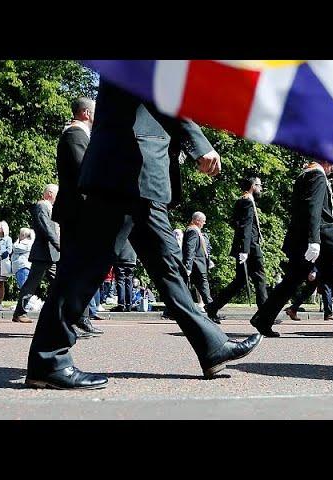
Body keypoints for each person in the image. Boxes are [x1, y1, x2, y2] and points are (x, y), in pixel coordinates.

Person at [24, 79, 261, 390]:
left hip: (139, 175)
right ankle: (48, 358)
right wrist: (199, 143)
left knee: (169, 269)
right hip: (124, 172)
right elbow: (157, 88)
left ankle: (212, 346)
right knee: (85, 266)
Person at [250, 159, 333, 338]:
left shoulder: (305, 175)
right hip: (322, 238)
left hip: (306, 236)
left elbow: (314, 211)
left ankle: (263, 318)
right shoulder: (318, 176)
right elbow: (313, 209)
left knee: (292, 280)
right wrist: (315, 240)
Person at [52, 97, 104, 335]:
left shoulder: (78, 135)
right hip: (76, 211)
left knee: (78, 266)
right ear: (85, 113)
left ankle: (77, 317)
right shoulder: (75, 134)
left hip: (77, 210)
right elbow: (84, 173)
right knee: (73, 267)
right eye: (95, 112)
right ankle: (66, 320)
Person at [205, 177, 268, 322]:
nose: (261, 188)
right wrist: (245, 249)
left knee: (239, 282)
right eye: (259, 185)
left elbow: (236, 223)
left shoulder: (243, 200)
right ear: (253, 186)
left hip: (246, 245)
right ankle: (265, 316)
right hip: (250, 246)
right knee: (260, 278)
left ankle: (213, 307)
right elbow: (245, 226)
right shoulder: (247, 201)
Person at [12, 184, 60, 323]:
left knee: (59, 283)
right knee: (32, 284)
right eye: (57, 194)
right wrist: (58, 244)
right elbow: (46, 227)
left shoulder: (50, 207)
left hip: (51, 254)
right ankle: (20, 312)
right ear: (50, 193)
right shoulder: (42, 206)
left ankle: (56, 312)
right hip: (43, 253)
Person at [182, 212, 214, 316]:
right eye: (203, 221)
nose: (204, 223)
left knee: (202, 288)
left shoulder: (195, 230)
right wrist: (188, 266)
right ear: (197, 220)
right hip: (196, 265)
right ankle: (212, 311)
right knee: (204, 289)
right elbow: (190, 249)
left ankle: (212, 310)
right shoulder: (192, 231)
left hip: (198, 265)